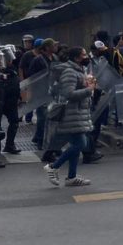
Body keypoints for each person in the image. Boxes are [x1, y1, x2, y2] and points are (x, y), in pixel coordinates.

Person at [42, 46, 96, 187]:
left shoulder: (79, 70)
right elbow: (69, 94)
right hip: (72, 114)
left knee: (76, 145)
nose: (86, 57)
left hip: (78, 113)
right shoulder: (70, 72)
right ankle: (54, 166)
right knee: (80, 144)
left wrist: (89, 87)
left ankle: (71, 177)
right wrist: (88, 90)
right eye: (84, 54)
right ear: (77, 57)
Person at [29, 39, 57, 158]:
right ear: (46, 48)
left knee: (51, 117)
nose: (56, 46)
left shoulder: (54, 58)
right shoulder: (38, 60)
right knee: (42, 117)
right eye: (53, 45)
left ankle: (43, 138)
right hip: (41, 92)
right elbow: (32, 76)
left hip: (52, 91)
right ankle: (40, 139)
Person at [0, 46, 22, 155]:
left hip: (11, 101)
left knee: (14, 123)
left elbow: (16, 84)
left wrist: (19, 97)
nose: (10, 60)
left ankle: (9, 144)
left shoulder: (12, 69)